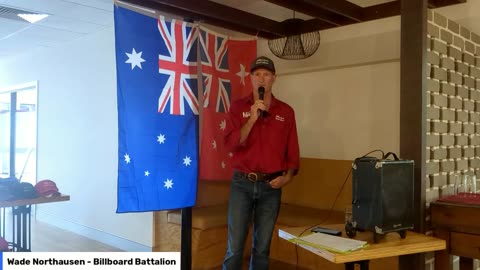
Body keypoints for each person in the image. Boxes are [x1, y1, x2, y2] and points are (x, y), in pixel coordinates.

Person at [222, 56, 300, 270]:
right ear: (251, 79)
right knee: (235, 247)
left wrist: (288, 177)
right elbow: (230, 144)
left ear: (274, 78)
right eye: (257, 74)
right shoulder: (238, 108)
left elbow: (292, 150)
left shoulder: (286, 111)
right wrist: (252, 118)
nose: (261, 79)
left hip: (271, 187)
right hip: (242, 183)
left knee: (262, 248)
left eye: (266, 74)